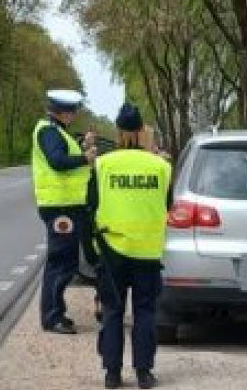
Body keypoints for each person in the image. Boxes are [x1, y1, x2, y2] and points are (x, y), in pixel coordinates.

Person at [88, 103, 172, 389]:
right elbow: (168, 205)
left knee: (112, 311)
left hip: (112, 251)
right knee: (145, 312)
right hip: (147, 253)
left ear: (119, 132)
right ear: (141, 131)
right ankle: (144, 373)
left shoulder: (102, 164)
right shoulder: (161, 167)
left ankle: (112, 374)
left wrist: (92, 253)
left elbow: (90, 207)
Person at [31, 89, 96, 335]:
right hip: (59, 206)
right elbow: (57, 161)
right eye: (73, 111)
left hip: (66, 205)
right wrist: (85, 158)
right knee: (60, 263)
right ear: (63, 112)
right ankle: (51, 317)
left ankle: (56, 312)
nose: (75, 115)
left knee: (66, 261)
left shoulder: (55, 131)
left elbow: (62, 153)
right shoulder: (48, 131)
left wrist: (81, 146)